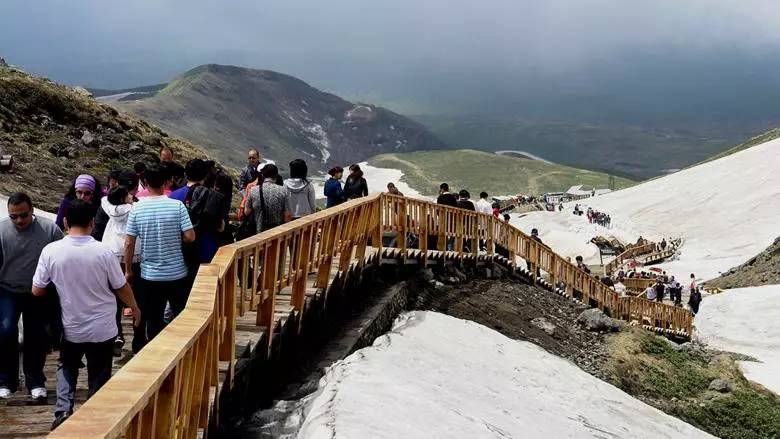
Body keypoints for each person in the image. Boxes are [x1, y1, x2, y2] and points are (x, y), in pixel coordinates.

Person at [31, 199, 140, 429]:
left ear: (66, 222)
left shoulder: (51, 251)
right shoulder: (104, 252)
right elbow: (120, 286)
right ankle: (95, 418)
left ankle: (63, 410)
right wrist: (136, 308)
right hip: (102, 327)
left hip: (69, 326)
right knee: (99, 370)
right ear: (92, 223)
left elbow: (37, 289)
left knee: (66, 365)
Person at [124, 164, 195, 352]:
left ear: (145, 182)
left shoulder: (137, 209)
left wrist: (128, 270)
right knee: (180, 315)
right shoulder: (177, 206)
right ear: (166, 182)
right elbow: (190, 236)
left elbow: (129, 243)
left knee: (154, 318)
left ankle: (157, 353)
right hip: (177, 272)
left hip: (150, 275)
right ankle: (182, 352)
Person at [0, 193, 63, 401]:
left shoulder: (50, 230)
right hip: (7, 289)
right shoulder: (1, 231)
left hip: (39, 290)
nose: (19, 221)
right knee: (6, 329)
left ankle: (35, 380)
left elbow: (61, 260)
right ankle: (6, 380)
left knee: (36, 335)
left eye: (23, 215)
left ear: (32, 211)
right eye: (13, 216)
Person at [101, 186, 142, 355]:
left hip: (110, 254)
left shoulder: (106, 204)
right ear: (123, 198)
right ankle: (138, 338)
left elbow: (105, 198)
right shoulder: (135, 209)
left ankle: (116, 334)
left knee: (113, 298)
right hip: (133, 256)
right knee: (136, 298)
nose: (131, 195)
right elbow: (129, 242)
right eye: (128, 194)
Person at [245, 164, 290, 233]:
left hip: (259, 233)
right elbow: (287, 215)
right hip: (277, 233)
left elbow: (246, 212)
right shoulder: (284, 191)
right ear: (276, 176)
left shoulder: (253, 190)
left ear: (263, 175)